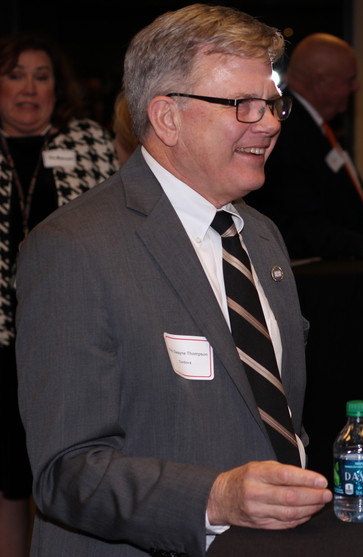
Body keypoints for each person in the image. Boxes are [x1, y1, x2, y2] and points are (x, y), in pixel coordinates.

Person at [15, 5, 332, 556]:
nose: (272, 122)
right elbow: (66, 471)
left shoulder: (260, 236)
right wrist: (215, 498)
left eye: (272, 103)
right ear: (167, 118)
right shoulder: (73, 248)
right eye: (244, 105)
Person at [0, 32, 117, 557]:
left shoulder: (89, 141)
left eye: (41, 76)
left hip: (69, 331)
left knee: (64, 458)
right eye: (15, 74)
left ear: (56, 86)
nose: (29, 88)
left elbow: (112, 232)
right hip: (0, 336)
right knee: (7, 472)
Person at [246, 33, 363, 262]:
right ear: (319, 82)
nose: (356, 87)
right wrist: (362, 246)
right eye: (350, 79)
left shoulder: (313, 124)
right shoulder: (286, 128)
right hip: (316, 278)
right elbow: (296, 221)